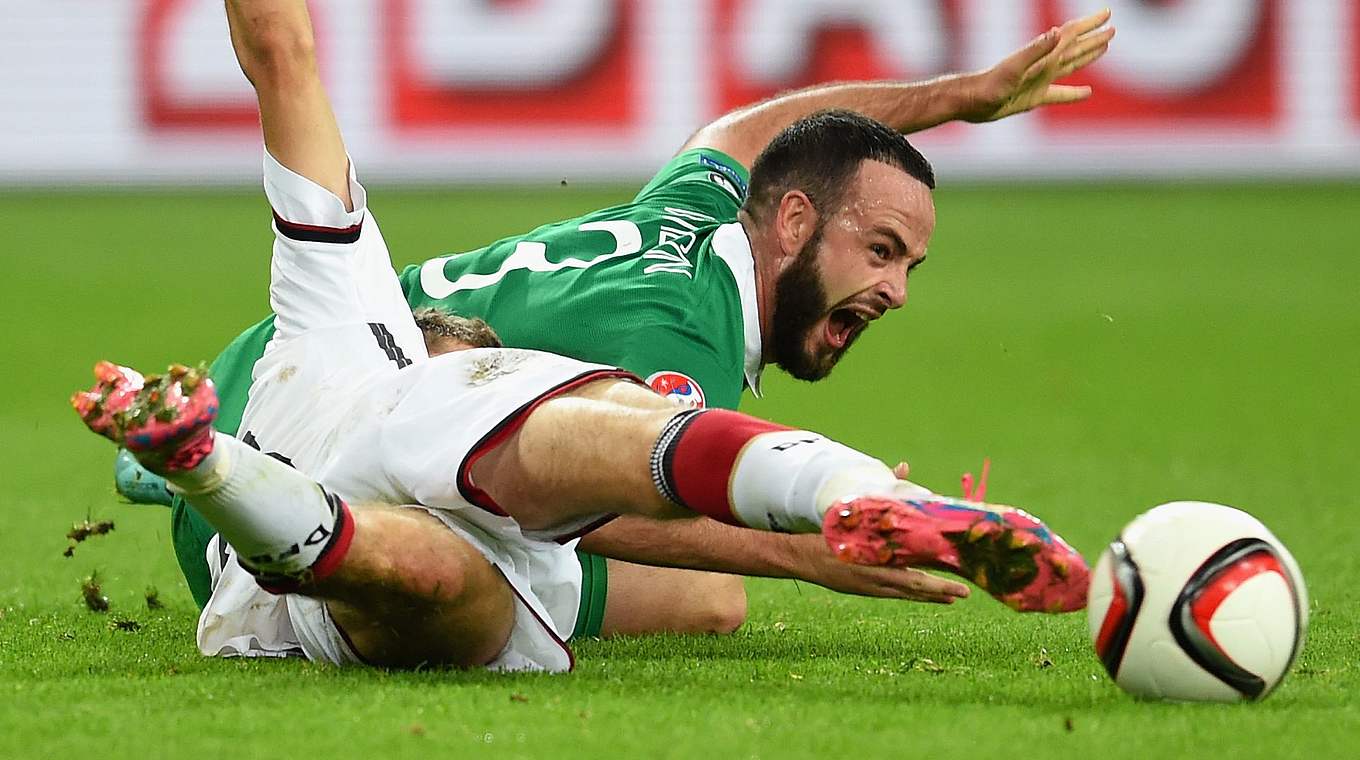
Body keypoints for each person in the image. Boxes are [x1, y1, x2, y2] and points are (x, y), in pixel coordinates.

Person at [121, 0, 1113, 639]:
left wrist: (951, 98)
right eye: (882, 251)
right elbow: (646, 497)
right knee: (646, 569)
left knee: (643, 542)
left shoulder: (693, 219)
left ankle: (188, 469)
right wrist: (820, 552)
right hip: (385, 415)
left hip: (303, 355)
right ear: (794, 223)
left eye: (908, 264)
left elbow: (747, 133)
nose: (895, 290)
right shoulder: (682, 332)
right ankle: (828, 492)